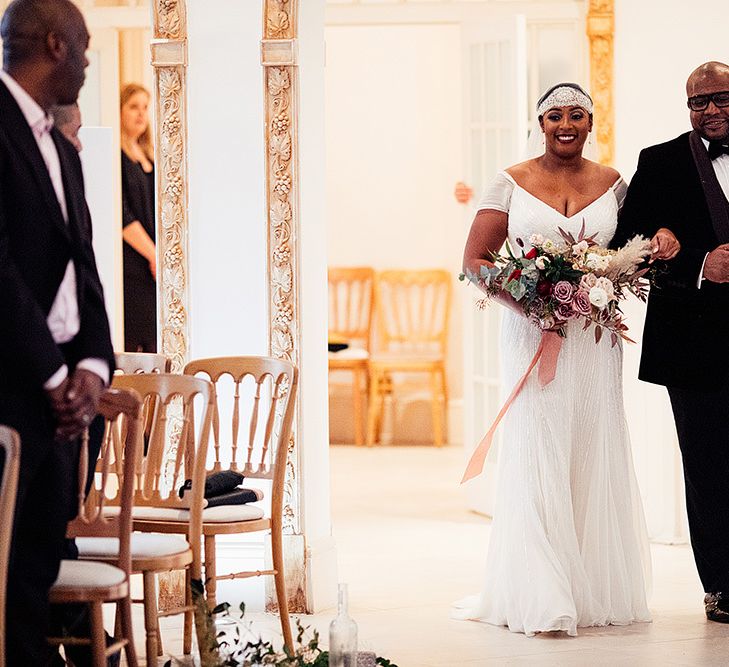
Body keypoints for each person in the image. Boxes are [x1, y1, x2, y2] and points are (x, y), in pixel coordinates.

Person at [455, 83, 680, 636]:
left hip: (592, 339)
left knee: (590, 441)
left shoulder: (615, 183)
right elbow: (474, 261)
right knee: (538, 447)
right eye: (555, 115)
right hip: (532, 334)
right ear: (540, 122)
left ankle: (591, 586)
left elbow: (638, 248)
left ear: (590, 122)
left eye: (576, 115)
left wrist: (654, 247)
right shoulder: (509, 182)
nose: (566, 124)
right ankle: (542, 590)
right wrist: (531, 301)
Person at [0, 0, 115, 664]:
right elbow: (0, 269)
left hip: (65, 412)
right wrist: (51, 375)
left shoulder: (63, 150)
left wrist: (92, 370)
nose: (91, 58)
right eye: (85, 44)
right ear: (55, 43)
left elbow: (84, 270)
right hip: (12, 397)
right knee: (5, 584)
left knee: (37, 581)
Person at [611, 61, 729, 624]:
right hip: (693, 342)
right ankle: (721, 586)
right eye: (698, 101)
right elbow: (628, 246)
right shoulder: (658, 163)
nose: (710, 110)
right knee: (707, 464)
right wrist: (699, 265)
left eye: (721, 99)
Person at [120, 82, 157, 352]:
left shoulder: (150, 157)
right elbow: (123, 215)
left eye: (145, 107)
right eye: (134, 106)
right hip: (133, 263)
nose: (141, 114)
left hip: (154, 267)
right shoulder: (117, 157)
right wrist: (153, 254)